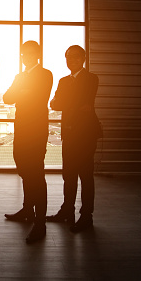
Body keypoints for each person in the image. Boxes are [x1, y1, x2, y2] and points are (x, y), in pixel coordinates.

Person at [46, 45, 102, 233]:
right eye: (68, 57)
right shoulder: (63, 81)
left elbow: (82, 101)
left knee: (86, 176)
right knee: (68, 175)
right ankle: (67, 211)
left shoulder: (91, 78)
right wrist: (70, 102)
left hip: (86, 133)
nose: (72, 60)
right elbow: (54, 103)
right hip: (69, 133)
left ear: (83, 58)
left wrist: (66, 101)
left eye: (76, 57)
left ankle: (86, 216)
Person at [3, 41, 53, 243]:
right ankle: (27, 210)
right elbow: (7, 98)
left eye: (31, 53)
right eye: (24, 54)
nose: (26, 57)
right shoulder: (19, 76)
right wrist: (23, 92)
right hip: (22, 131)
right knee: (24, 171)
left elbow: (38, 98)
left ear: (38, 55)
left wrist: (22, 93)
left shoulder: (45, 74)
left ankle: (40, 223)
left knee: (37, 176)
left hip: (36, 132)